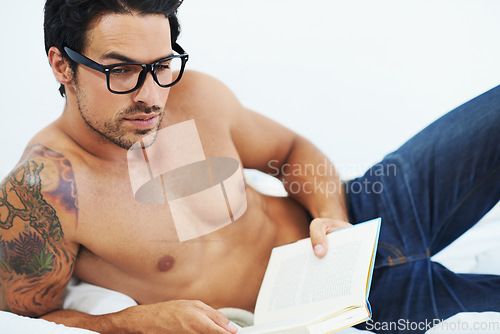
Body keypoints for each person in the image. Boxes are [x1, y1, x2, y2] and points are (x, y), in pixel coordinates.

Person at [0, 0, 498, 333]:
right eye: (122, 70)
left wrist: (333, 213)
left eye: (161, 65)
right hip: (341, 312)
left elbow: (291, 149)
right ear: (62, 66)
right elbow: (32, 321)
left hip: (366, 210)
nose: (151, 96)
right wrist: (134, 322)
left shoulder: (191, 94)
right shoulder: (44, 192)